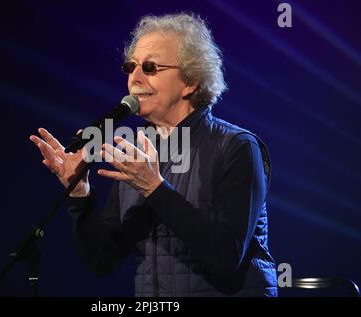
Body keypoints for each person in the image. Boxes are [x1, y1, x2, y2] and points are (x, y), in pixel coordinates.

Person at [29, 13, 278, 297]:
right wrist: (80, 197)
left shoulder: (236, 147)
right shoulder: (135, 155)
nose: (134, 78)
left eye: (150, 67)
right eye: (130, 66)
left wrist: (154, 188)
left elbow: (225, 257)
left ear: (190, 82)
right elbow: (102, 261)